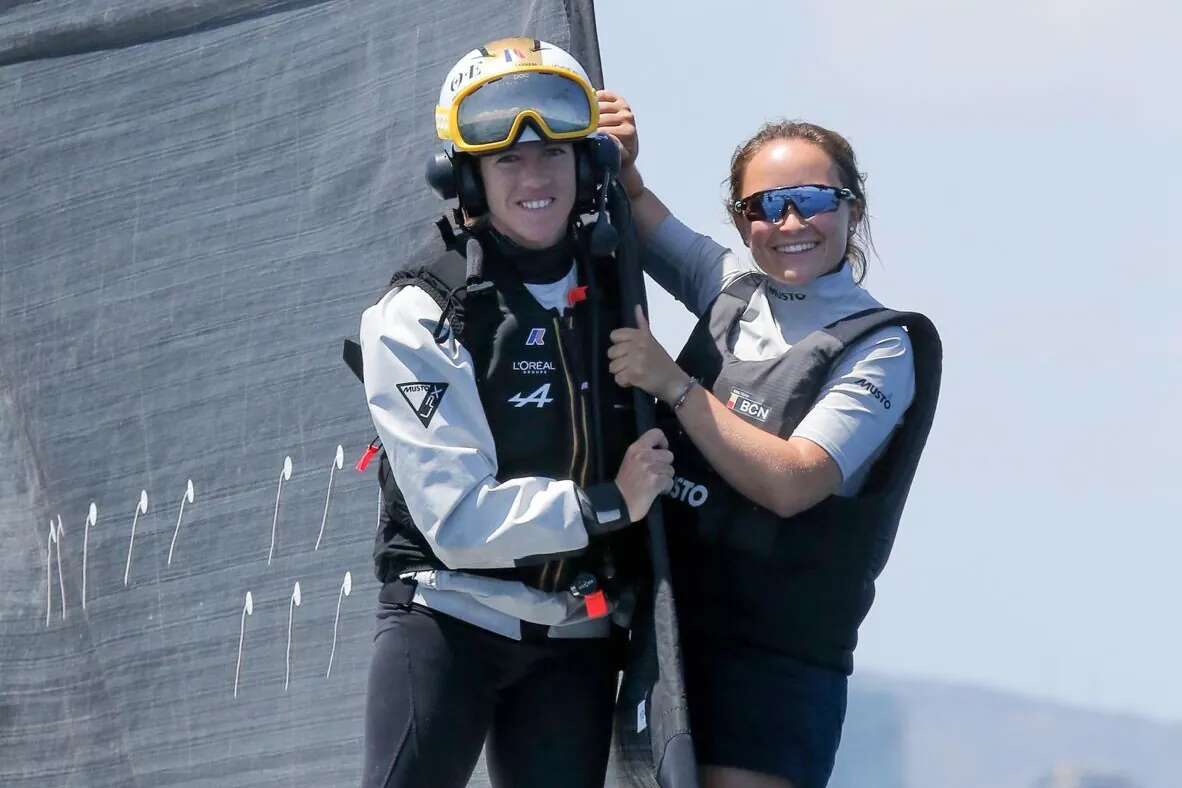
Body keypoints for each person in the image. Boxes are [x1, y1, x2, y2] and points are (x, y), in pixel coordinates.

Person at [598, 93, 942, 788]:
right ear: (741, 220)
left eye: (813, 198)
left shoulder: (883, 346)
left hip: (775, 667)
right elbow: (634, 207)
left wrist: (677, 386)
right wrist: (616, 155)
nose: (789, 221)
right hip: (664, 634)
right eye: (765, 205)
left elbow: (792, 482)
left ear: (853, 208)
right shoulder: (729, 287)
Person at [355, 42, 673, 788]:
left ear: (585, 167)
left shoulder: (617, 281)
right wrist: (606, 504)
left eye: (553, 156)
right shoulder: (417, 314)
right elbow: (458, 522)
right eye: (507, 162)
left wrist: (632, 176)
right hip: (447, 625)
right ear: (466, 178)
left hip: (580, 636)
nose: (535, 179)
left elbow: (728, 289)